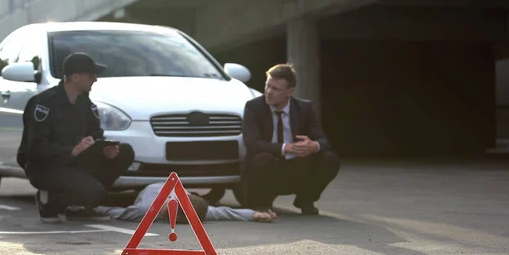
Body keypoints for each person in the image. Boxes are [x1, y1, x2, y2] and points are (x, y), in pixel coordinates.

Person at [17, 52, 135, 223]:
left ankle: (80, 207)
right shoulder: (43, 104)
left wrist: (105, 150)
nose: (95, 79)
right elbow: (35, 149)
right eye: (91, 75)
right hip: (46, 166)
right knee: (93, 190)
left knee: (125, 152)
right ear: (75, 77)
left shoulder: (85, 104)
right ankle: (49, 203)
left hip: (75, 163)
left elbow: (96, 135)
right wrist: (71, 151)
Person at [242, 63, 341, 215]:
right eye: (267, 86)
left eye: (275, 89)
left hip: (296, 167)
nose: (268, 92)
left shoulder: (304, 108)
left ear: (290, 91)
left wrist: (313, 146)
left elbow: (323, 140)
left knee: (330, 159)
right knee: (262, 158)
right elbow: (252, 143)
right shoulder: (253, 107)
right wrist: (285, 147)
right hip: (267, 169)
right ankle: (262, 204)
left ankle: (306, 199)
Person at [95, 182, 275, 223]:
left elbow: (226, 212)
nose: (170, 216)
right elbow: (117, 211)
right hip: (146, 190)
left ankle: (209, 197)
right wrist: (93, 208)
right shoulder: (147, 209)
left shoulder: (195, 210)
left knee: (208, 205)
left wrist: (255, 214)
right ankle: (209, 197)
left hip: (183, 191)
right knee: (118, 198)